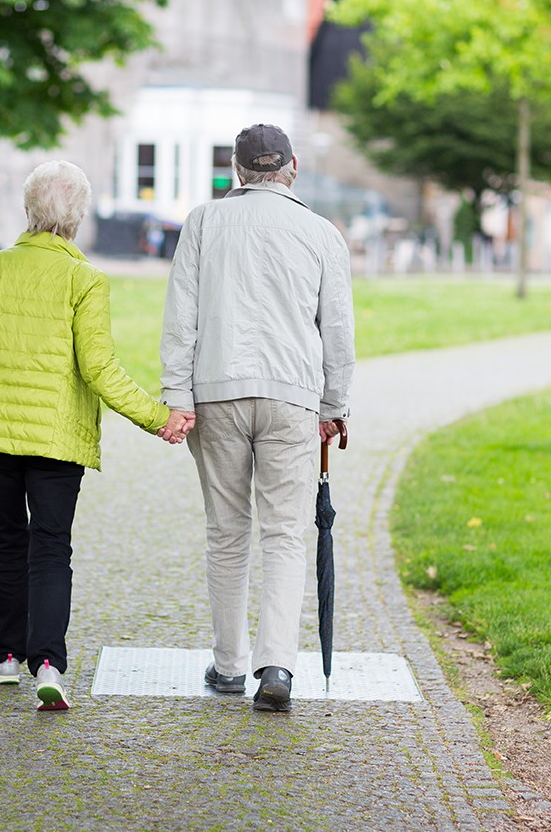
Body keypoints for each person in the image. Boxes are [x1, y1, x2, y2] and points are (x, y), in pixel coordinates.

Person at [0, 160, 193, 712]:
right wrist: (158, 417)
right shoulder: (84, 280)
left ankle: (6, 656)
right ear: (77, 217)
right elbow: (98, 368)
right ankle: (48, 664)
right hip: (55, 438)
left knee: (6, 540)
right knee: (50, 547)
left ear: (28, 210)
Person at [160, 124, 356, 713]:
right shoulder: (322, 234)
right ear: (292, 167)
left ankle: (227, 665)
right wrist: (334, 405)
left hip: (216, 390)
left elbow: (181, 317)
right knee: (284, 533)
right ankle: (278, 666)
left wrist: (178, 395)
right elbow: (337, 331)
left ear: (237, 171)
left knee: (226, 531)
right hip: (292, 394)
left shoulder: (202, 223)